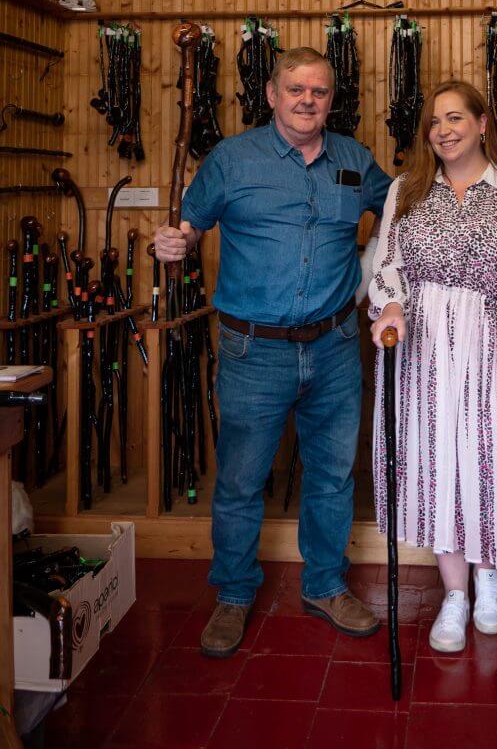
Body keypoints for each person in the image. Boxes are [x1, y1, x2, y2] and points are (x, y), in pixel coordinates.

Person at [153, 47, 391, 657]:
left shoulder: (354, 160)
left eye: (319, 91)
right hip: (253, 351)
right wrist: (173, 242)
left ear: (331, 99)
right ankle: (233, 595)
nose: (307, 100)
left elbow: (402, 213)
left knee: (332, 476)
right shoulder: (232, 160)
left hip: (336, 346)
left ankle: (326, 586)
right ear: (271, 95)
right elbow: (189, 225)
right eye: (295, 90)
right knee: (240, 481)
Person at [369, 80, 497, 653]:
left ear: (482, 123)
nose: (443, 130)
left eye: (455, 118)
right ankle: (453, 594)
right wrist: (391, 302)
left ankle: (489, 581)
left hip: (496, 343)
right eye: (434, 122)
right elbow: (388, 266)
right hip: (424, 346)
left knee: (489, 461)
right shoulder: (406, 189)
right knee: (434, 463)